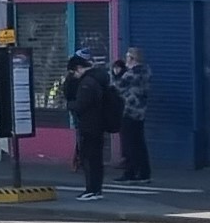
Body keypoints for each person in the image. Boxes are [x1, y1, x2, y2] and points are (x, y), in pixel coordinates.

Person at [64, 52, 116, 200]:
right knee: (96, 159)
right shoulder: (99, 78)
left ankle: (91, 190)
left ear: (79, 68)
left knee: (89, 158)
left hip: (89, 124)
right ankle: (96, 189)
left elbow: (81, 104)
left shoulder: (87, 83)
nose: (73, 75)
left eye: (73, 71)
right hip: (98, 124)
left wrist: (70, 105)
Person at [115, 47, 152, 183]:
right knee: (140, 143)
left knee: (129, 143)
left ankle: (130, 172)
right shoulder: (146, 71)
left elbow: (117, 86)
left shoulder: (131, 74)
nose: (126, 60)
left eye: (127, 57)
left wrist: (117, 73)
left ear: (132, 59)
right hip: (141, 111)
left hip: (129, 110)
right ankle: (144, 172)